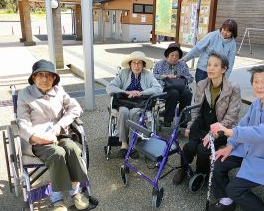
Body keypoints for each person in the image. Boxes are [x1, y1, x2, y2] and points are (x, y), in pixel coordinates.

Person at [208, 65, 264, 211]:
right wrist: (230, 146)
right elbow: (244, 123)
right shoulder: (257, 102)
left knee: (235, 189)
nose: (259, 86)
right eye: (256, 81)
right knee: (218, 162)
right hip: (251, 147)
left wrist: (229, 132)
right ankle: (226, 201)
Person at [17, 60, 90, 211]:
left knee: (73, 149)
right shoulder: (25, 94)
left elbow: (75, 108)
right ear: (34, 77)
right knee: (58, 153)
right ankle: (57, 199)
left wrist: (60, 125)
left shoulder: (59, 91)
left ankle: (75, 192)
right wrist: (37, 137)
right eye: (41, 75)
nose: (45, 79)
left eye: (49, 76)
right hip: (37, 139)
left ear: (54, 79)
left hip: (60, 134)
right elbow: (22, 121)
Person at [172, 51, 241, 186]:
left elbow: (231, 116)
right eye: (209, 64)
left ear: (224, 69)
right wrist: (190, 126)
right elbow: (196, 108)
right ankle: (183, 169)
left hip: (221, 128)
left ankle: (200, 173)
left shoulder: (233, 88)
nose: (210, 68)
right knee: (189, 147)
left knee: (203, 151)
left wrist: (213, 133)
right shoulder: (202, 84)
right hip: (202, 124)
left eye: (215, 65)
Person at [106, 51, 162, 158]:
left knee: (134, 113)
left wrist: (141, 92)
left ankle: (133, 144)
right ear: (130, 64)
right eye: (134, 63)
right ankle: (124, 144)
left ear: (143, 65)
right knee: (123, 112)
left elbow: (158, 89)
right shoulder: (123, 73)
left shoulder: (148, 75)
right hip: (125, 101)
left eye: (139, 63)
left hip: (140, 103)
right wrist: (126, 92)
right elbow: (110, 87)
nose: (136, 65)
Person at [153, 43, 194, 127]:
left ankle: (183, 120)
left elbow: (190, 78)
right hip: (165, 88)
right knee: (174, 93)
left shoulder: (182, 65)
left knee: (188, 93)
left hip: (181, 88)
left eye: (177, 56)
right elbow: (153, 76)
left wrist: (180, 77)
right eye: (172, 55)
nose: (174, 58)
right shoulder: (159, 64)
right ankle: (167, 120)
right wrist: (165, 76)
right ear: (167, 55)